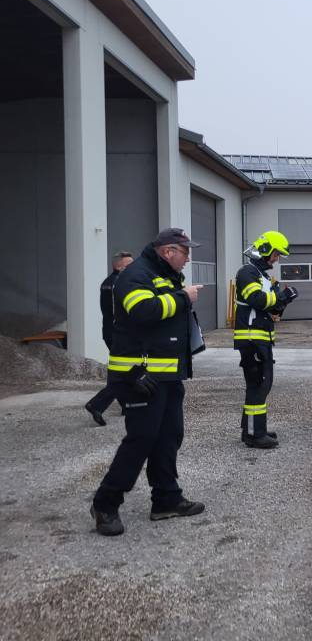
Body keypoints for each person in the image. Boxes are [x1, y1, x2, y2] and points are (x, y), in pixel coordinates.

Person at [90, 228, 206, 536]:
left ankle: (166, 499)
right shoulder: (136, 275)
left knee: (169, 436)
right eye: (185, 252)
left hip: (166, 375)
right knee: (141, 440)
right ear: (168, 252)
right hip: (138, 375)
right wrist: (183, 298)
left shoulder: (164, 276)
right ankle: (105, 504)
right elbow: (143, 311)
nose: (188, 258)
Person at [234, 231, 298, 449]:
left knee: (259, 384)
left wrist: (285, 300)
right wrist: (280, 297)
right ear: (265, 250)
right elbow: (256, 299)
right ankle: (255, 434)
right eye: (276, 254)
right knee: (259, 385)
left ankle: (251, 429)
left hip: (260, 337)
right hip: (251, 338)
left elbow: (273, 309)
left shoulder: (261, 275)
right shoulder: (247, 272)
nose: (276, 259)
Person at [84, 251, 134, 426]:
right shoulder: (119, 284)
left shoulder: (108, 282)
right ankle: (97, 404)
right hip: (119, 334)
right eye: (129, 265)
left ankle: (126, 405)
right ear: (118, 266)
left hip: (111, 332)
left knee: (122, 371)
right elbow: (120, 312)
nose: (133, 268)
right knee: (125, 372)